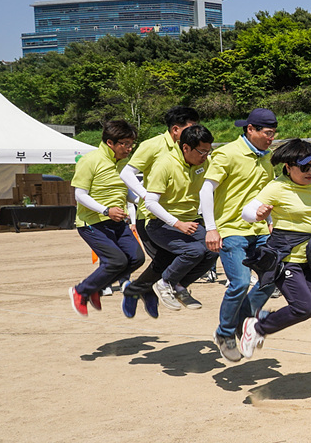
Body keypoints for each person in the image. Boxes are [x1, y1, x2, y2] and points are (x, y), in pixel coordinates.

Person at [236, 139, 311, 358]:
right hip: (286, 257)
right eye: (304, 167)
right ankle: (255, 328)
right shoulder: (277, 187)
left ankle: (264, 320)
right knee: (303, 307)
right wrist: (258, 215)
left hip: (310, 257)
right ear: (288, 167)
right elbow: (247, 212)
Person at [202, 107, 279, 362]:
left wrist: (269, 221)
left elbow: (266, 194)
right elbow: (206, 191)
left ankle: (243, 320)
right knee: (241, 282)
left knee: (272, 277)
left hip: (259, 230)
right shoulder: (227, 154)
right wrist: (212, 228)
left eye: (274, 133)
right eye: (268, 133)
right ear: (250, 130)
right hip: (231, 230)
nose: (272, 138)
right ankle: (224, 333)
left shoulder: (268, 158)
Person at [120, 104, 200, 315]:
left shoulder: (191, 147)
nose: (194, 132)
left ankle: (143, 289)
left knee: (168, 261)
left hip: (181, 216)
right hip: (152, 216)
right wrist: (145, 196)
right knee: (164, 261)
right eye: (190, 127)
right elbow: (127, 173)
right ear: (175, 129)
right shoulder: (153, 145)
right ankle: (140, 290)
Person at [69, 120, 144, 318]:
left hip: (117, 221)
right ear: (110, 142)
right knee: (116, 261)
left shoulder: (122, 163)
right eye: (125, 144)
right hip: (92, 223)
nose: (129, 148)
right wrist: (105, 210)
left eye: (131, 144)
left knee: (137, 258)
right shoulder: (90, 160)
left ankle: (96, 287)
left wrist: (144, 201)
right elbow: (80, 194)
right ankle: (81, 291)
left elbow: (126, 191)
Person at [142, 124, 219, 310]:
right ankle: (164, 283)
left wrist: (210, 228)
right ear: (185, 148)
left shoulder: (204, 164)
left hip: (190, 221)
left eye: (208, 152)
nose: (205, 157)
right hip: (160, 223)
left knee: (212, 250)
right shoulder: (164, 164)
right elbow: (150, 202)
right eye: (201, 152)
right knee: (194, 251)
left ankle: (178, 286)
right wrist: (177, 224)